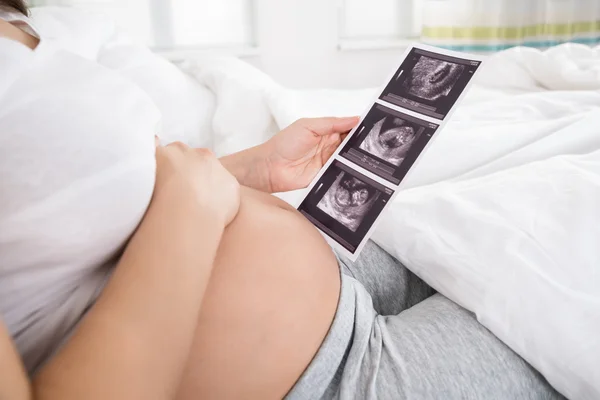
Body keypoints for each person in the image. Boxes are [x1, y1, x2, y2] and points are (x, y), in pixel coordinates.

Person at [0, 1, 563, 399]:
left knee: (547, 226)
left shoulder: (18, 22)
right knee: (568, 308)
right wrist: (188, 211)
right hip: (332, 380)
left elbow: (73, 223)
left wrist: (246, 170)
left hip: (341, 272)